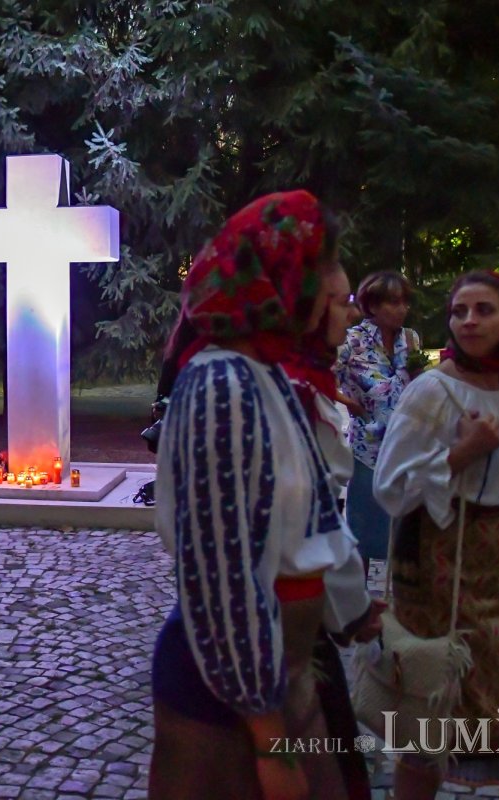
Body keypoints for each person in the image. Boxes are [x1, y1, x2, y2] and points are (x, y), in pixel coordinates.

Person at [149, 190, 380, 800]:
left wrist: (355, 611)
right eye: (328, 267)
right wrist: (271, 742)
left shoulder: (267, 373)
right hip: (228, 702)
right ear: (284, 275)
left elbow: (312, 518)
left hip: (281, 680)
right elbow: (221, 577)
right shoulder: (222, 385)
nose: (343, 294)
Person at [373, 271, 499, 799]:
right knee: (431, 714)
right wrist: (461, 451)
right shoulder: (432, 390)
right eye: (460, 311)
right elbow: (390, 488)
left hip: (495, 564)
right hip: (438, 567)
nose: (471, 321)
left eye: (484, 310)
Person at [335, 270, 420, 570]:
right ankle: (359, 601)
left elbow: (417, 384)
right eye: (393, 302)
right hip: (368, 447)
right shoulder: (352, 340)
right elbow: (319, 377)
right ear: (372, 305)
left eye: (404, 302)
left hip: (407, 445)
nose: (401, 309)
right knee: (367, 534)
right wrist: (350, 403)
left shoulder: (410, 339)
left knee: (404, 534)